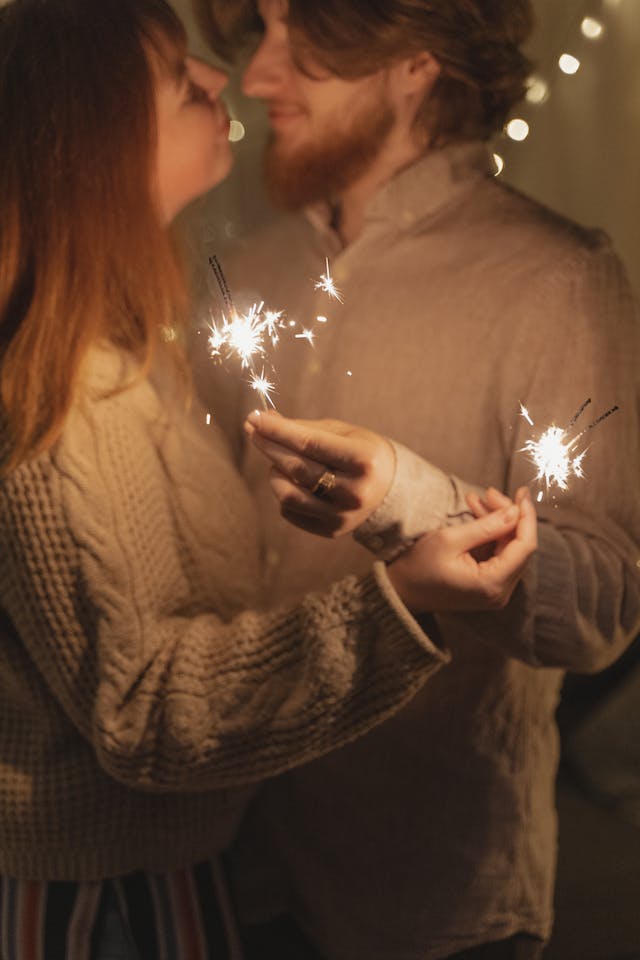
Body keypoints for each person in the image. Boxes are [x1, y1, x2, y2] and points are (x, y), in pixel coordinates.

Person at [0, 1, 540, 957]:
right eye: (180, 76)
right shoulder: (56, 398)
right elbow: (142, 710)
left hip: (196, 870)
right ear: (95, 133)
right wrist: (399, 600)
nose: (228, 78)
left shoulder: (139, 351)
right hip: (104, 904)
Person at [192, 1, 640, 958]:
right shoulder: (257, 271)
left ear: (411, 67)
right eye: (259, 36)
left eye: (301, 49)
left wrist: (406, 501)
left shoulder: (554, 277)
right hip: (243, 873)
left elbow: (604, 605)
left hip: (431, 897)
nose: (259, 78)